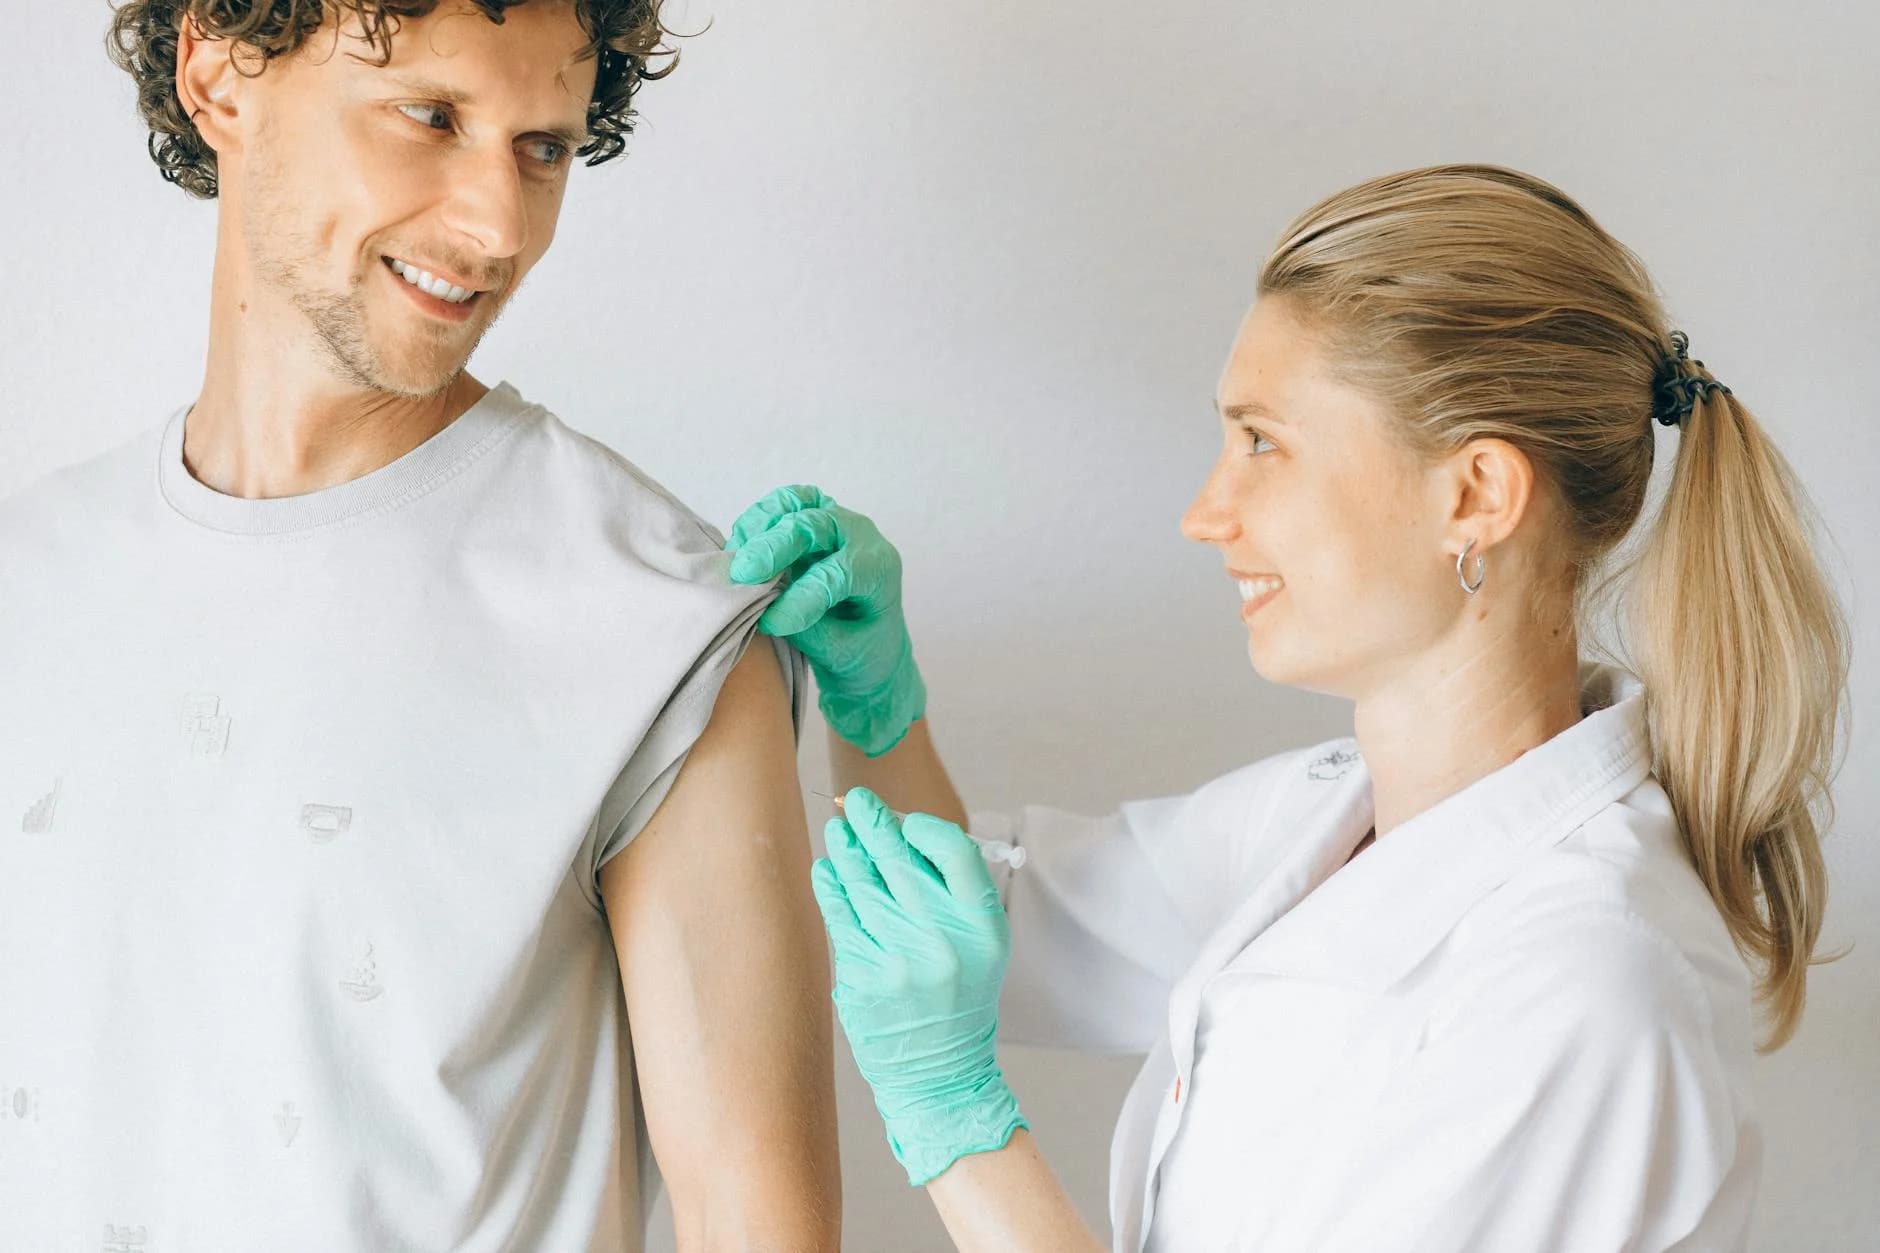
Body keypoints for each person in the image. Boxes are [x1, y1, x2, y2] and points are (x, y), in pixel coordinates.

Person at [724, 165, 1853, 1250]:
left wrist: (956, 1125)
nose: (1204, 512)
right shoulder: (1320, 822)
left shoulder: (1577, 989)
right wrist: (876, 710)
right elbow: (978, 937)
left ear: (1473, 495)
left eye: (1261, 441)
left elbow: (945, 1022)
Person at [0, 3, 839, 1249]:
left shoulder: (649, 617)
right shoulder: (30, 577)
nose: (499, 226)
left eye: (543, 147)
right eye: (431, 116)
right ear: (220, 76)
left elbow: (755, 1225)